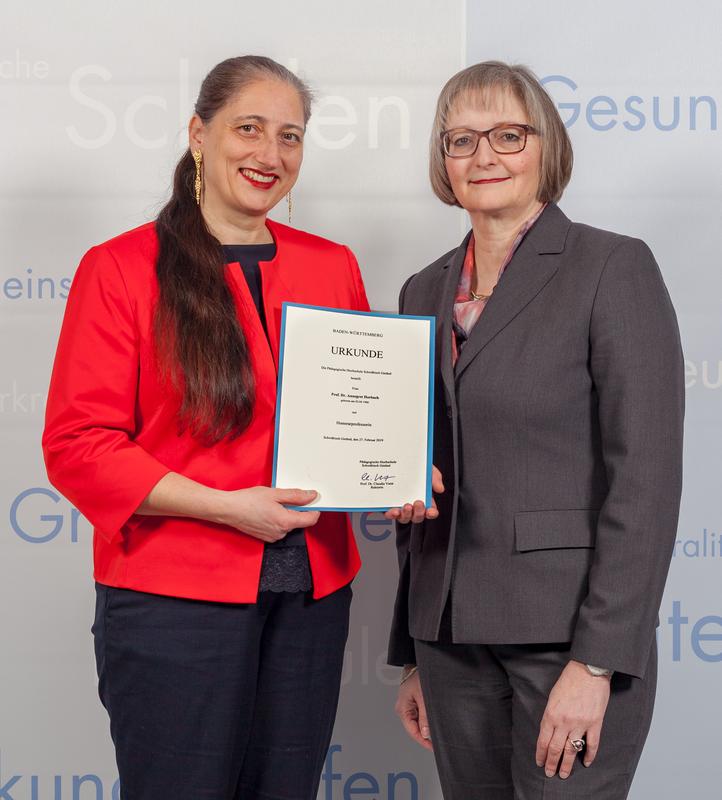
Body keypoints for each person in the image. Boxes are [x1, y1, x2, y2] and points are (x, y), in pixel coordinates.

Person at [42, 55, 369, 800]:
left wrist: (404, 471)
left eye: (290, 136)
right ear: (199, 133)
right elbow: (77, 445)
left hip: (311, 599)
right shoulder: (121, 268)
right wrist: (227, 507)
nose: (269, 154)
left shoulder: (332, 266)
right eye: (247, 129)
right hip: (172, 602)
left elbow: (359, 413)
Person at [386, 61, 684, 800]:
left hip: (567, 642)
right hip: (449, 635)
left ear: (545, 146)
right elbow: (412, 463)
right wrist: (413, 653)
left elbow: (643, 479)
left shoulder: (611, 266)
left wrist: (597, 664)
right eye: (461, 140)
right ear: (442, 159)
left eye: (507, 135)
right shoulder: (422, 290)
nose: (483, 156)